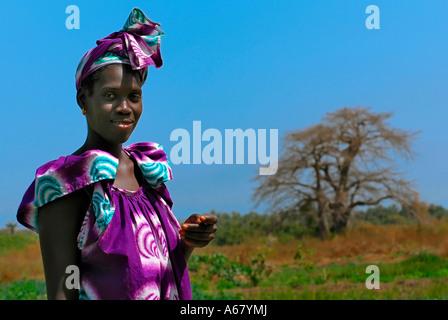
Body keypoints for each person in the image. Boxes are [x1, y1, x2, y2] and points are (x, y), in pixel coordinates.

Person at [16, 7, 217, 300]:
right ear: (83, 100)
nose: (125, 107)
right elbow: (63, 291)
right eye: (111, 96)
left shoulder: (147, 172)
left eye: (133, 96)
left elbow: (152, 275)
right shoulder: (69, 183)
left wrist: (186, 242)